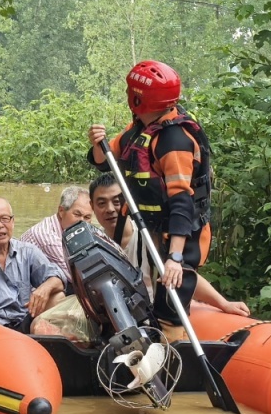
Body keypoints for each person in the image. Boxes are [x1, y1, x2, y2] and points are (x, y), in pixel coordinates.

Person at [88, 61, 248, 339]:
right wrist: (96, 143)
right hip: (152, 229)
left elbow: (181, 201)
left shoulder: (173, 140)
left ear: (137, 98)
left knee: (169, 306)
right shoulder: (139, 128)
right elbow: (106, 162)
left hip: (182, 234)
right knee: (154, 292)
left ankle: (171, 361)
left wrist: (174, 257)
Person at [0, 196, 66, 333]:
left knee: (57, 295)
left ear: (13, 222)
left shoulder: (27, 251)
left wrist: (44, 289)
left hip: (24, 319)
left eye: (5, 219)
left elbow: (59, 277)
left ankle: (45, 345)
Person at [19, 186, 95, 291]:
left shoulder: (72, 230)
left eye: (87, 217)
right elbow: (76, 277)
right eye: (77, 214)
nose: (82, 222)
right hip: (28, 293)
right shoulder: (48, 236)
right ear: (61, 211)